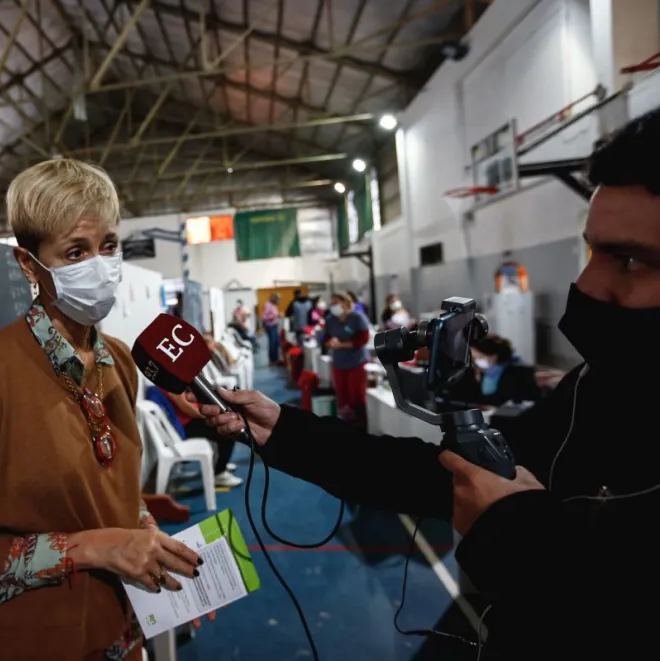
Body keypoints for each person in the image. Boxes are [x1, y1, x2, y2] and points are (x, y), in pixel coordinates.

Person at [190, 107, 660, 660]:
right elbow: (444, 476)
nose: (585, 283)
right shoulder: (592, 389)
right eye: (592, 250)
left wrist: (524, 536)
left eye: (629, 260)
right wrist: (284, 431)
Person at [0, 159, 210, 660]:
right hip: (32, 644)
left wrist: (152, 544)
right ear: (28, 264)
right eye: (76, 251)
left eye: (108, 245)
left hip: (122, 634)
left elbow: (118, 493)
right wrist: (94, 547)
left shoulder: (118, 359)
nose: (101, 265)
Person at [144, 386, 242, 488]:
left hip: (189, 420)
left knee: (223, 428)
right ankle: (219, 473)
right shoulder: (170, 385)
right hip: (186, 426)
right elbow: (186, 408)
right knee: (226, 433)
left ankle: (220, 464)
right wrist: (210, 416)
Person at [442, 334, 541, 407]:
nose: (476, 361)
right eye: (474, 358)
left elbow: (525, 402)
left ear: (494, 356)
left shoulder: (520, 372)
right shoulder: (475, 371)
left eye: (480, 357)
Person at [323, 293, 371, 423]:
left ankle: (360, 424)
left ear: (345, 303)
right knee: (342, 393)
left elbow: (364, 338)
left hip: (357, 361)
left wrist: (342, 344)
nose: (333, 306)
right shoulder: (330, 320)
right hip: (339, 362)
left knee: (356, 395)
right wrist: (329, 342)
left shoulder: (357, 317)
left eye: (336, 303)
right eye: (331, 304)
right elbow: (325, 337)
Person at [262, 292, 282, 366]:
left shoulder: (273, 305)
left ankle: (276, 359)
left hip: (274, 326)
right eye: (278, 300)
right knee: (272, 343)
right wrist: (275, 316)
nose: (279, 301)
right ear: (274, 299)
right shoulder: (268, 305)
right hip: (271, 327)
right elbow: (264, 317)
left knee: (276, 343)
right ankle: (272, 360)